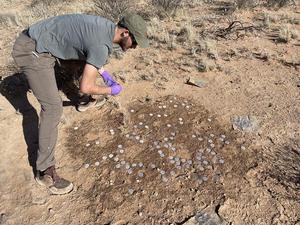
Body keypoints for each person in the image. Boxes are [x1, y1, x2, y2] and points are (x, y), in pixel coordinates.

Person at [12, 13, 149, 195]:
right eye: (136, 41)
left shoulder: (106, 28)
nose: (136, 47)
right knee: (53, 108)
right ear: (125, 33)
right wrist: (110, 90)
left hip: (42, 40)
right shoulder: (102, 45)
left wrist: (103, 73)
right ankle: (45, 172)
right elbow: (87, 85)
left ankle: (83, 102)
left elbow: (88, 48)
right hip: (32, 51)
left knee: (82, 61)